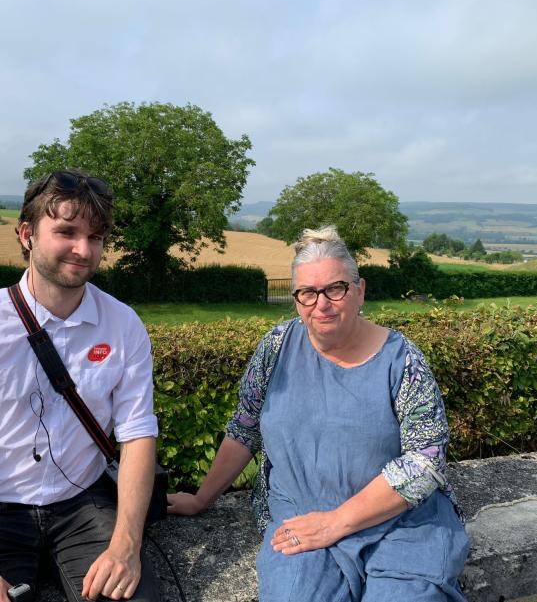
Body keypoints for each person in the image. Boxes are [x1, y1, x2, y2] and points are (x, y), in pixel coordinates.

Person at [168, 226, 469, 601]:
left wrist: (335, 522)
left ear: (360, 291)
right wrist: (201, 499)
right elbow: (245, 426)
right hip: (301, 518)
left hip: (401, 523)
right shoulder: (277, 347)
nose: (321, 305)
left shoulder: (403, 359)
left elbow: (425, 462)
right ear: (296, 299)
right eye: (307, 293)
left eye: (335, 289)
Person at [0, 170, 161, 602]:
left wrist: (127, 545)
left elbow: (138, 434)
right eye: (66, 231)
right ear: (27, 234)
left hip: (83, 502)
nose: (83, 250)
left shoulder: (123, 325)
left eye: (96, 236)